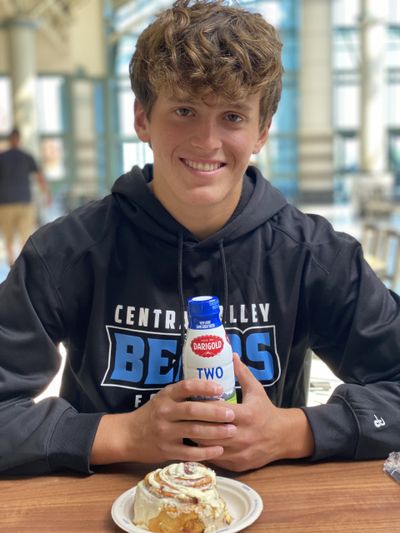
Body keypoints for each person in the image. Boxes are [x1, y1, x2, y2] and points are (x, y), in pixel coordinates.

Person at [0, 0, 399, 477]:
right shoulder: (66, 252)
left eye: (232, 117)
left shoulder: (312, 255)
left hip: (264, 507)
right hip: (107, 503)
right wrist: (123, 434)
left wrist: (291, 431)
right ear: (142, 118)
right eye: (185, 110)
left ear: (261, 132)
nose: (207, 141)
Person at [0, 127, 51, 266]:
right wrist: (46, 193)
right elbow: (39, 177)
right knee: (24, 236)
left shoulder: (2, 157)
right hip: (24, 202)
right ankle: (22, 265)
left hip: (5, 203)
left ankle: (12, 264)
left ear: (9, 140)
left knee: (8, 238)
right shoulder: (27, 156)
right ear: (19, 139)